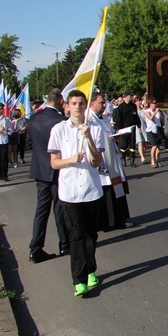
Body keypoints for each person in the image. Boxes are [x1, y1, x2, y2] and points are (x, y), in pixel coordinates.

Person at [48, 89, 105, 297]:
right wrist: (71, 159)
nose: (78, 107)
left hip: (91, 190)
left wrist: (88, 138)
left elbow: (96, 162)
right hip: (69, 191)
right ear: (67, 106)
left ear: (86, 105)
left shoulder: (95, 129)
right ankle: (78, 279)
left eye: (81, 103)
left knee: (91, 234)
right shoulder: (59, 130)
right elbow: (54, 162)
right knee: (76, 235)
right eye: (74, 103)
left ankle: (90, 270)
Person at [28, 89, 69, 263]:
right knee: (60, 209)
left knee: (41, 210)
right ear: (60, 101)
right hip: (56, 169)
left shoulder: (34, 119)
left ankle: (35, 248)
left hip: (40, 170)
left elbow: (31, 143)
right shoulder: (60, 122)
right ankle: (65, 243)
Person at [90, 93, 132, 231]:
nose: (104, 105)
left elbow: (109, 132)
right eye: (101, 103)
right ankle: (109, 222)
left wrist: (115, 136)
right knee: (106, 189)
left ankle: (119, 219)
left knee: (116, 187)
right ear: (92, 104)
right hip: (101, 159)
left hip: (111, 156)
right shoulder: (89, 119)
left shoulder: (104, 117)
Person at [113, 91, 140, 167]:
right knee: (123, 145)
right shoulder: (121, 107)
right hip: (124, 128)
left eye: (132, 95)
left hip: (132, 128)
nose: (131, 97)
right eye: (130, 95)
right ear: (125, 96)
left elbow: (136, 116)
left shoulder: (133, 106)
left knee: (132, 144)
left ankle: (132, 161)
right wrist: (119, 128)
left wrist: (139, 125)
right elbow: (118, 119)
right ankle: (123, 160)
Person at [143, 98, 164, 168]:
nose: (155, 105)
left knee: (158, 146)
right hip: (150, 130)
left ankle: (158, 161)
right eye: (153, 103)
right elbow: (151, 118)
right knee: (154, 145)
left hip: (157, 129)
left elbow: (161, 120)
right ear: (150, 104)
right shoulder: (147, 111)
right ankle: (152, 160)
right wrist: (155, 112)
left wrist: (159, 113)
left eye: (155, 103)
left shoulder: (158, 111)